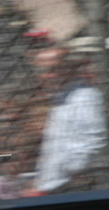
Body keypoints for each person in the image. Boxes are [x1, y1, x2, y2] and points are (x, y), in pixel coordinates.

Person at [33, 37, 107, 194]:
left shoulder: (85, 97)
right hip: (51, 188)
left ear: (69, 68)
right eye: (42, 71)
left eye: (53, 69)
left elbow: (95, 141)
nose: (47, 76)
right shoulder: (59, 100)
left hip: (71, 190)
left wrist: (65, 174)